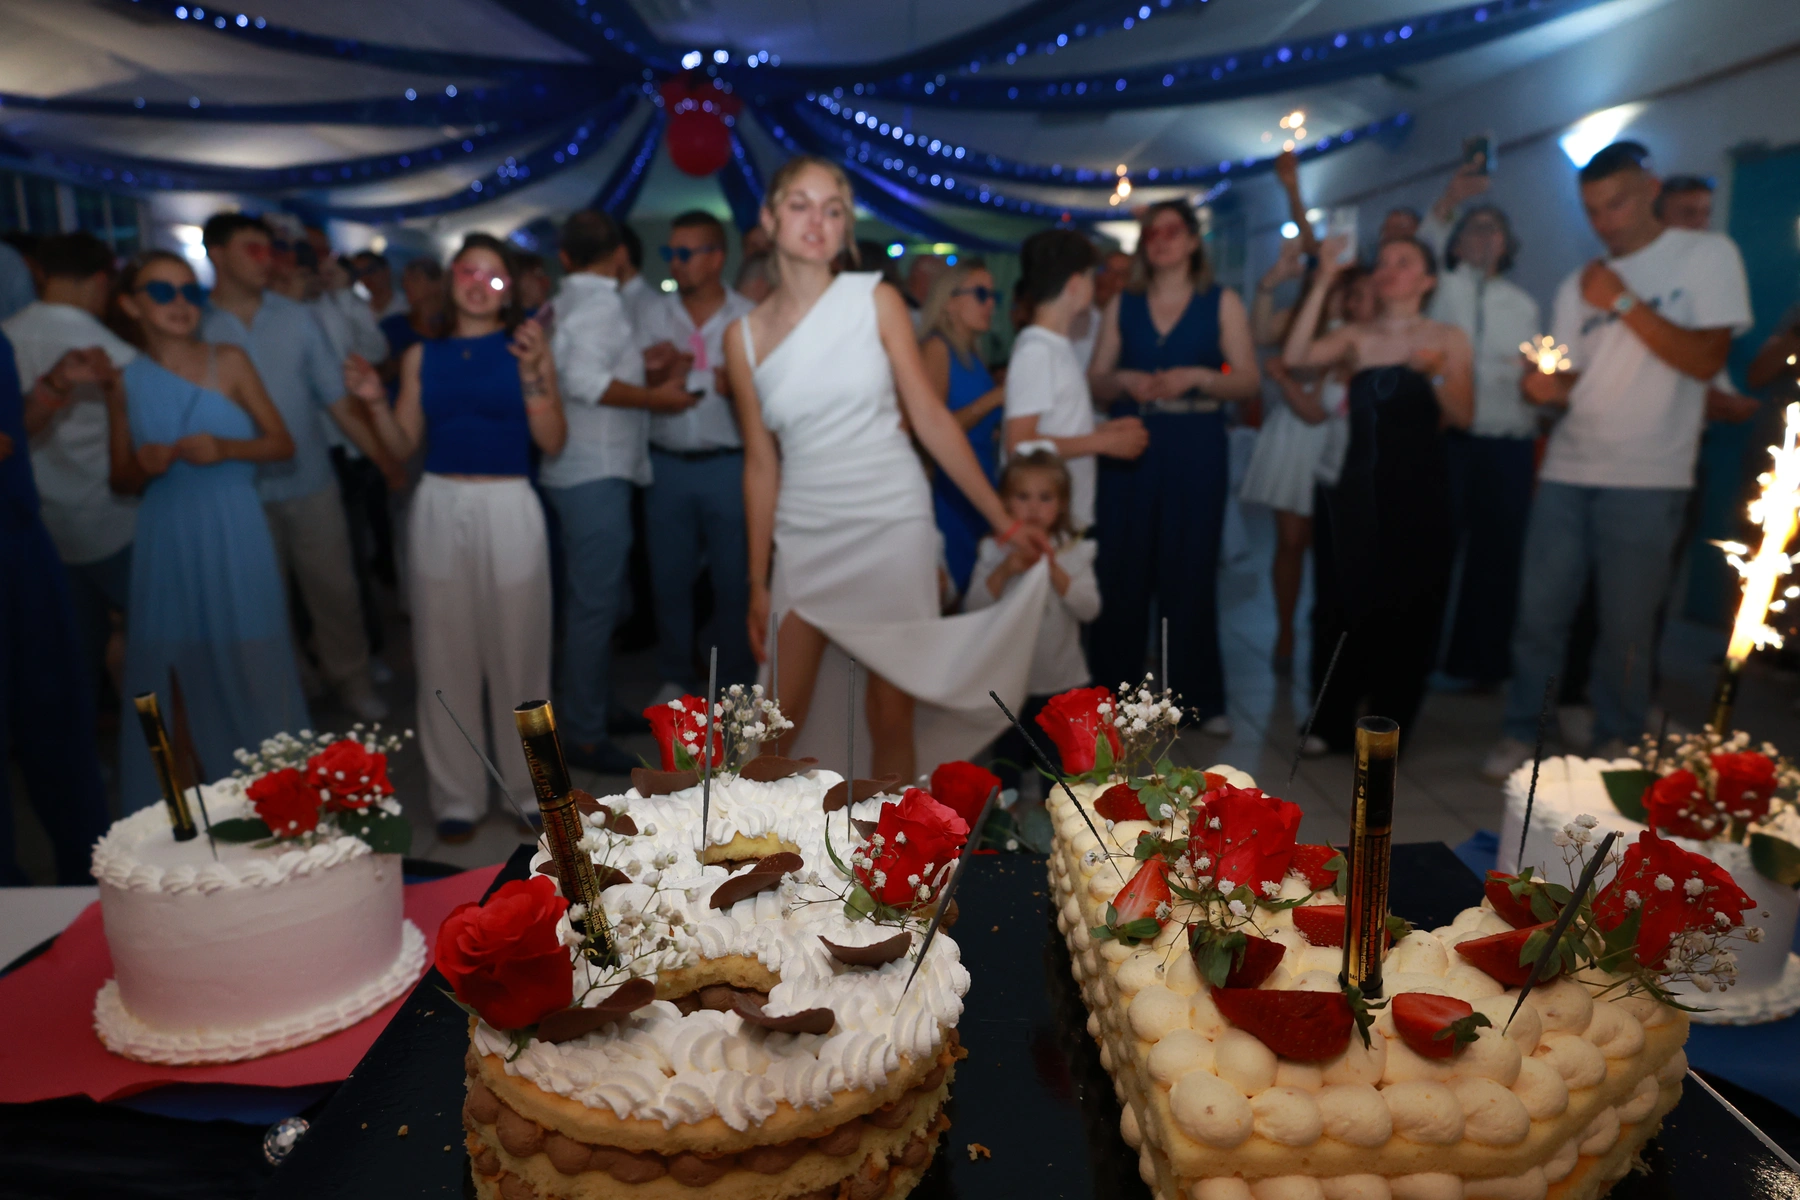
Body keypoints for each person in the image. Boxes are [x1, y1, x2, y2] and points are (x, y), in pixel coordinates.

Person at [724, 155, 1053, 783]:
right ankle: (767, 838)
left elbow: (929, 417)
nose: (816, 221)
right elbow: (760, 465)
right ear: (768, 218)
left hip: (891, 519)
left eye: (833, 209)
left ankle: (893, 842)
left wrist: (1004, 522)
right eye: (800, 205)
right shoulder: (742, 338)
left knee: (891, 713)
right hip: (805, 529)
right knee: (774, 721)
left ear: (846, 227)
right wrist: (757, 580)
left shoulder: (874, 300)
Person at [1484, 142, 1751, 776]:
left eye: (1617, 203)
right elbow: (1576, 380)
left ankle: (1619, 735)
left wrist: (1625, 302)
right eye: (1592, 209)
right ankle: (1526, 731)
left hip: (1649, 473)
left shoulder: (1706, 255)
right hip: (1568, 467)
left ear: (1651, 188)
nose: (1605, 221)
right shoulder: (1579, 282)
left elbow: (1706, 360)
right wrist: (1545, 389)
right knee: (1539, 615)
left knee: (1626, 624)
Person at [345, 234, 567, 840]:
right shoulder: (421, 356)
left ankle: (532, 790)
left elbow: (553, 441)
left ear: (510, 290)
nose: (479, 285)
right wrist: (375, 403)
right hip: (440, 503)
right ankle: (457, 795)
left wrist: (533, 373)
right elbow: (401, 445)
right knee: (444, 654)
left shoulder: (528, 349)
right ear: (451, 279)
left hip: (509, 501)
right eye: (469, 271)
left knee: (521, 650)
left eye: (494, 276)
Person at [109, 250, 309, 813]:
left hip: (233, 526)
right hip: (166, 533)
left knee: (256, 664)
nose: (179, 304)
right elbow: (119, 479)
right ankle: (191, 816)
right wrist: (141, 466)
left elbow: (282, 443)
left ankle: (281, 804)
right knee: (171, 676)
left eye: (189, 291)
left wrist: (225, 448)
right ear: (131, 305)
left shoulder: (231, 361)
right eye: (161, 291)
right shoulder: (124, 382)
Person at [1284, 235, 1475, 753]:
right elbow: (1296, 358)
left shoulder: (1448, 338)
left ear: (1427, 280)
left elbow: (1463, 416)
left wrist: (1435, 372)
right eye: (1383, 261)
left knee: (1410, 608)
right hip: (1355, 492)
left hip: (1420, 494)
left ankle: (1388, 725)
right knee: (1340, 605)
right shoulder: (1354, 336)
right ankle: (1328, 720)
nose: (1389, 268)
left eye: (1403, 261)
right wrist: (1323, 281)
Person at [200, 212, 393, 721]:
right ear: (217, 254)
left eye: (269, 249)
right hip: (236, 490)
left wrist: (384, 457)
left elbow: (337, 400)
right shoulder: (196, 324)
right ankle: (288, 687)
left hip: (310, 479)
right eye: (252, 249)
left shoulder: (296, 318)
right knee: (260, 601)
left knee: (335, 590)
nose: (266, 260)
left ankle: (351, 679)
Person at [1089, 200, 1261, 733]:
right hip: (1133, 441)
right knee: (1123, 570)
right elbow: (1096, 379)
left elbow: (1248, 381)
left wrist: (1198, 377)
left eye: (1171, 231)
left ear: (1191, 241)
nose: (1160, 240)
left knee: (1190, 570)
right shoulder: (1124, 302)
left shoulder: (1220, 300)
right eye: (1152, 232)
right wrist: (1124, 381)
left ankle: (1197, 698)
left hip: (1195, 441)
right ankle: (1114, 702)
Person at [539, 210, 696, 775]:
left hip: (578, 467)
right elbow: (586, 382)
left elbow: (587, 370)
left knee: (599, 602)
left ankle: (597, 708)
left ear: (565, 257)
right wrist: (658, 398)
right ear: (621, 256)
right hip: (595, 471)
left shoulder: (564, 302)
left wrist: (643, 370)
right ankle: (583, 734)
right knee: (595, 606)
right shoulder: (600, 304)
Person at [5, 233, 139, 696]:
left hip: (44, 525)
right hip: (113, 519)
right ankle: (155, 737)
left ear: (42, 273)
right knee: (153, 648)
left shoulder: (8, 333)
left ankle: (89, 736)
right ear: (102, 281)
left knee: (70, 658)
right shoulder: (108, 350)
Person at [0, 329, 111, 884]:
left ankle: (95, 883)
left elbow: (12, 435)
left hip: (21, 540)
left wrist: (53, 389)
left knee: (59, 719)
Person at [636, 210, 758, 703]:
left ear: (717, 257)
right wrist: (653, 373)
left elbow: (766, 394)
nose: (676, 262)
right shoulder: (653, 313)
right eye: (671, 252)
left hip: (730, 464)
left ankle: (734, 681)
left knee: (734, 580)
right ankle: (674, 675)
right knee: (668, 578)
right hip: (667, 464)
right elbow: (631, 385)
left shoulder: (747, 315)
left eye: (685, 253)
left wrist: (735, 385)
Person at [1426, 203, 1543, 689]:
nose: (1486, 237)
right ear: (1457, 242)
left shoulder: (1523, 303)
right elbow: (1426, 244)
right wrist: (1450, 200)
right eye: (1475, 229)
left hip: (1508, 440)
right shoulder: (1443, 288)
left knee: (1498, 556)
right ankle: (1418, 658)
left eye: (1496, 229)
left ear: (1508, 243)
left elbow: (1533, 365)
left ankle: (1479, 665)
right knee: (1434, 553)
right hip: (1453, 440)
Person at [964, 450, 1100, 794]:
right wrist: (1004, 570)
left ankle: (1057, 819)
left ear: (1062, 504)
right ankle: (1004, 822)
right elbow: (973, 608)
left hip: (1060, 681)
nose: (1034, 507)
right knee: (1006, 764)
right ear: (1004, 503)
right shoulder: (994, 550)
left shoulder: (1074, 552)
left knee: (1058, 769)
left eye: (1045, 497)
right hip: (1009, 683)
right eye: (1022, 497)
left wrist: (1054, 569)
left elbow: (1090, 609)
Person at [1239, 245, 1342, 676]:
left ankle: (1329, 631)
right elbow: (1259, 333)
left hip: (1340, 430)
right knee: (1291, 541)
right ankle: (1285, 631)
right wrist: (1268, 285)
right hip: (1295, 434)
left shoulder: (1359, 317)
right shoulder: (1298, 314)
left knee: (1335, 546)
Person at [1006, 232, 1148, 536]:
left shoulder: (1056, 345)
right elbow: (1019, 444)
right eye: (1091, 277)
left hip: (1064, 516)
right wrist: (1102, 444)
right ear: (1074, 284)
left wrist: (1100, 431)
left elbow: (1054, 426)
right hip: (1046, 520)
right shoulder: (1037, 350)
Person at [920, 261, 1007, 594]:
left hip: (977, 483)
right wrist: (993, 400)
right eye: (981, 294)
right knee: (955, 591)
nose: (991, 304)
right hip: (950, 490)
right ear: (949, 301)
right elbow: (928, 430)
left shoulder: (972, 355)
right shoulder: (937, 349)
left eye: (994, 296)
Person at [380, 258, 449, 368]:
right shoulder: (392, 327)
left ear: (437, 283)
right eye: (404, 279)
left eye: (414, 278)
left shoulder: (454, 327)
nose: (406, 284)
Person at [353, 250, 406, 320]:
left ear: (386, 270)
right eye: (360, 273)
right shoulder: (359, 310)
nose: (366, 277)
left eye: (370, 270)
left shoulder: (407, 306)